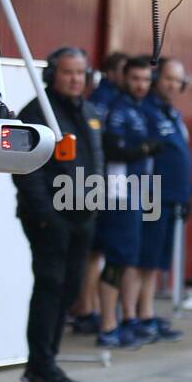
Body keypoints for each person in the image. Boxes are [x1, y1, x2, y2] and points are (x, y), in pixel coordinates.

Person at [12, 47, 106, 382]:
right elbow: (25, 169)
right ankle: (40, 364)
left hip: (84, 217)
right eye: (68, 72)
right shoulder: (36, 112)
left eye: (80, 73)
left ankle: (48, 358)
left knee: (69, 289)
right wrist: (44, 215)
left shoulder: (91, 112)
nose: (75, 79)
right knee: (50, 287)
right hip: (51, 218)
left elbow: (98, 160)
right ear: (52, 75)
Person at [96, 56, 161, 348]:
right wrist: (145, 148)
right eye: (135, 78)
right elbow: (113, 148)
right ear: (124, 78)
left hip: (141, 190)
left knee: (130, 259)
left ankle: (128, 319)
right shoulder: (117, 107)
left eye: (146, 80)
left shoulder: (140, 109)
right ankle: (107, 325)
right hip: (119, 192)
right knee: (117, 258)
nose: (140, 85)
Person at [70, 50, 127, 336]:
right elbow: (105, 146)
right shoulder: (103, 102)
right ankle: (87, 308)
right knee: (96, 253)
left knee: (96, 254)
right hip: (102, 188)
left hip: (105, 187)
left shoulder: (107, 101)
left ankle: (88, 307)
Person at [136, 57, 191, 342]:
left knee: (156, 261)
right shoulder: (146, 110)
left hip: (172, 196)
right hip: (152, 194)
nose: (173, 85)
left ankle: (146, 313)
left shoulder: (172, 113)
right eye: (168, 78)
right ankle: (136, 316)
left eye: (177, 80)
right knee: (144, 259)